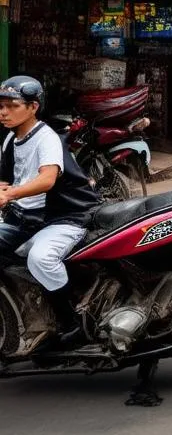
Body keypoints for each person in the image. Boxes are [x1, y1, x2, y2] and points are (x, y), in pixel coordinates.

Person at [0, 75, 101, 346]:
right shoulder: (10, 139)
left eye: (12, 106)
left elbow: (47, 180)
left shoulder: (47, 138)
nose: (4, 112)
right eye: (1, 106)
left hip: (63, 218)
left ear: (33, 107)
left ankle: (72, 323)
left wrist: (10, 194)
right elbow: (6, 179)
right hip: (25, 218)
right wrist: (4, 191)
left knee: (40, 259)